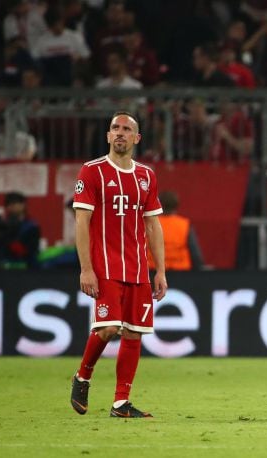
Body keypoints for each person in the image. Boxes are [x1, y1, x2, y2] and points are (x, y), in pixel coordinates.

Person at [70, 111, 167, 418]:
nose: (120, 133)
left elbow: (153, 225)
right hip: (105, 266)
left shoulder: (147, 176)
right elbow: (81, 222)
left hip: (137, 267)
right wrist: (86, 268)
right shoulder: (91, 171)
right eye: (115, 128)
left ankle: (120, 403)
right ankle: (82, 376)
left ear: (137, 138)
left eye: (127, 129)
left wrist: (160, 269)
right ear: (108, 136)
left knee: (134, 333)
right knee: (109, 327)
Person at [148, 190, 203, 271]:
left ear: (159, 205)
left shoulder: (150, 223)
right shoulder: (184, 224)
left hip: (154, 270)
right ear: (176, 205)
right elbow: (194, 252)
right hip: (181, 272)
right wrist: (200, 267)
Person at [0, 191, 40, 269]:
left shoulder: (32, 226)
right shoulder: (1, 225)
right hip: (1, 266)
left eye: (13, 203)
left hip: (25, 266)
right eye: (8, 204)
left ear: (23, 204)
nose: (10, 207)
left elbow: (30, 251)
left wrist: (10, 240)